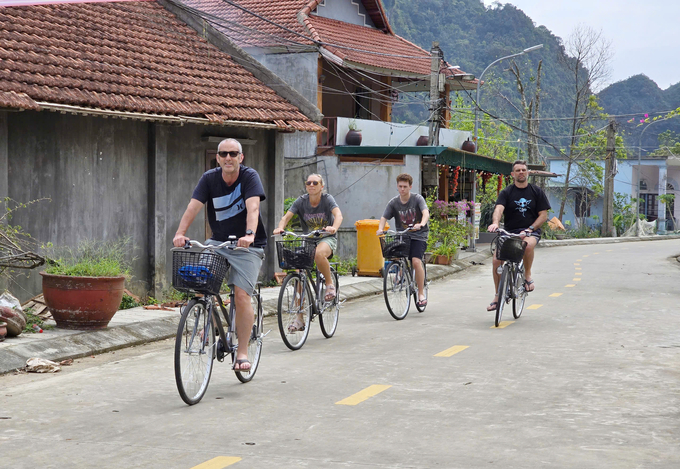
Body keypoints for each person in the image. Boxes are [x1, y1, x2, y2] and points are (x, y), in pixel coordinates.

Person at [173, 138, 267, 372]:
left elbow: (253, 208)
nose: (228, 158)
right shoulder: (209, 179)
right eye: (223, 154)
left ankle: (242, 351)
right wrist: (180, 233)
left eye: (233, 154)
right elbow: (193, 206)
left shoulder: (249, 177)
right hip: (219, 241)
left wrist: (249, 234)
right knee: (200, 281)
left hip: (248, 246)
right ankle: (209, 319)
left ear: (240, 157)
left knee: (241, 295)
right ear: (217, 157)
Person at [273, 174, 343, 332]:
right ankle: (299, 319)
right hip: (308, 239)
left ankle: (329, 284)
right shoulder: (301, 201)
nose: (311, 185)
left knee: (319, 254)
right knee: (298, 273)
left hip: (327, 238)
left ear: (321, 186)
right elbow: (286, 217)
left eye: (315, 182)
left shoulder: (327, 199)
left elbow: (338, 215)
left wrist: (334, 228)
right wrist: (280, 227)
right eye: (308, 183)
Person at [487, 160, 550, 311]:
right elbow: (498, 209)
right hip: (510, 231)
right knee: (496, 260)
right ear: (512, 174)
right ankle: (497, 295)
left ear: (527, 172)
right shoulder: (506, 192)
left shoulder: (536, 192)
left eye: (523, 170)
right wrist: (495, 222)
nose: (521, 172)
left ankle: (527, 275)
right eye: (518, 170)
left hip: (530, 231)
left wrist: (530, 228)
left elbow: (543, 215)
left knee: (526, 246)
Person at [377, 173, 430, 307]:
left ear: (410, 187)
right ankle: (401, 271)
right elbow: (384, 217)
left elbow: (425, 213)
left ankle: (421, 293)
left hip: (419, 235)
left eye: (405, 186)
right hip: (403, 235)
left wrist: (422, 224)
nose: (402, 189)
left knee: (416, 261)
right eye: (400, 186)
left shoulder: (417, 199)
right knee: (395, 255)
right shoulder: (394, 203)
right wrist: (380, 229)